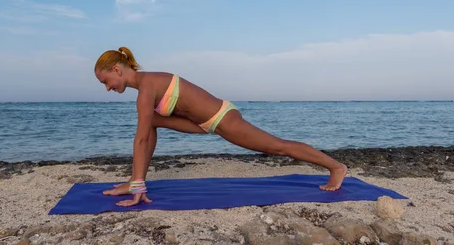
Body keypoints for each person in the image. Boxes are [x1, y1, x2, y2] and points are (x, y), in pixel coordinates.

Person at [94, 47, 348, 207]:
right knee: (150, 123)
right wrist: (136, 180)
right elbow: (146, 134)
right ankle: (135, 179)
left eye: (106, 81)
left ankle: (336, 167)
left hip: (223, 119)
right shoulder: (147, 86)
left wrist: (138, 187)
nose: (107, 88)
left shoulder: (147, 86)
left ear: (117, 69)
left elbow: (139, 140)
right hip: (206, 123)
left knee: (277, 147)